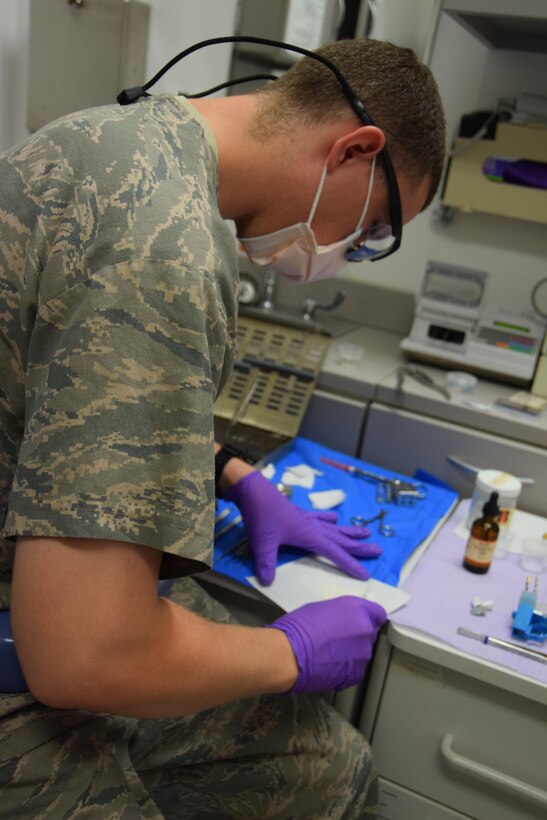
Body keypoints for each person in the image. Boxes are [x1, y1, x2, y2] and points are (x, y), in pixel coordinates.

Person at [0, 36, 445, 818]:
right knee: (325, 770)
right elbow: (85, 659)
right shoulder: (168, 251)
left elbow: (62, 389)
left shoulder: (113, 137)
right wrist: (288, 652)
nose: (351, 250)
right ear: (353, 148)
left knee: (321, 763)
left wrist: (232, 473)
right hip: (32, 647)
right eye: (373, 228)